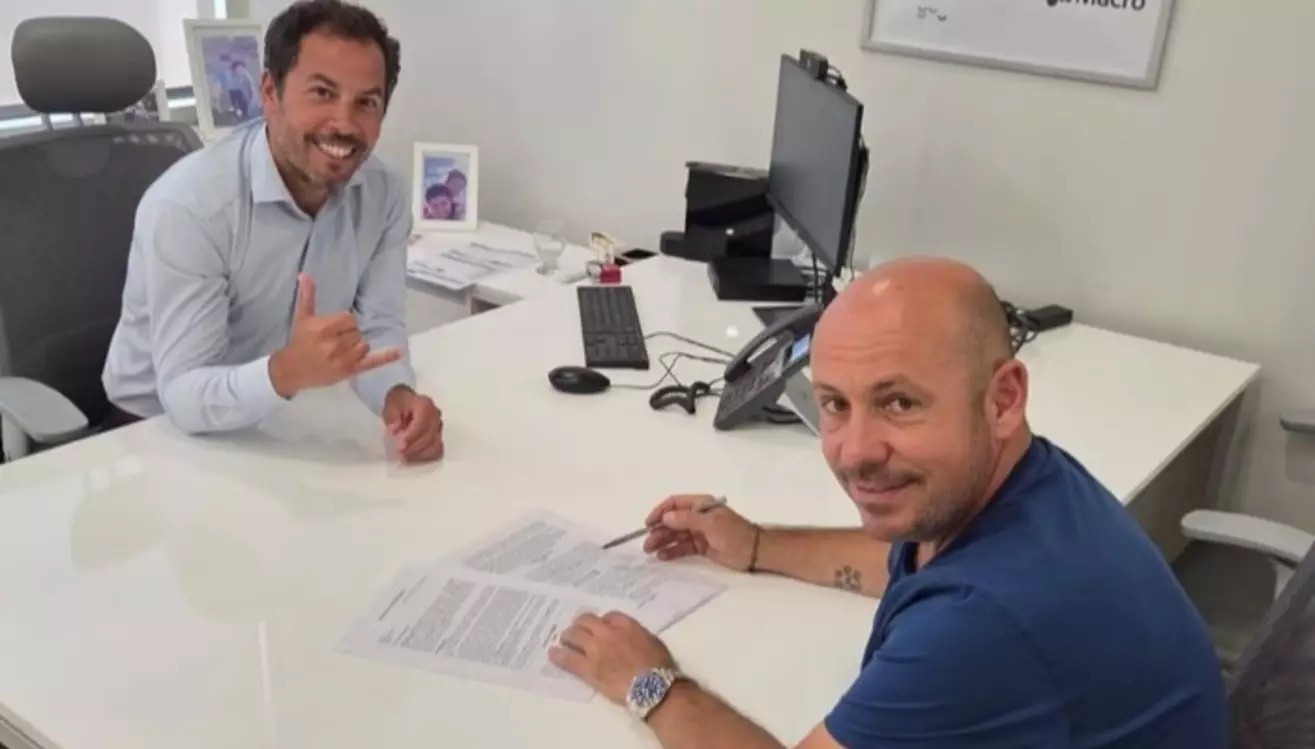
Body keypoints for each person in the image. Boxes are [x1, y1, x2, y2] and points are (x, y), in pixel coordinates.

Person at [549, 257, 1228, 748]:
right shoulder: (1022, 483)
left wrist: (651, 683)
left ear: (1003, 398)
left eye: (898, 402)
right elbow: (918, 559)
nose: (855, 451)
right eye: (834, 404)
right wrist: (756, 544)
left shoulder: (980, 626)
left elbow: (968, 608)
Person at [102, 0, 444, 463]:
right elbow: (181, 394)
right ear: (269, 92)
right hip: (150, 434)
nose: (344, 124)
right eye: (322, 93)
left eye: (366, 102)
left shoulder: (384, 194)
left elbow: (378, 325)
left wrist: (396, 396)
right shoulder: (191, 206)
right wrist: (286, 372)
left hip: (276, 416)